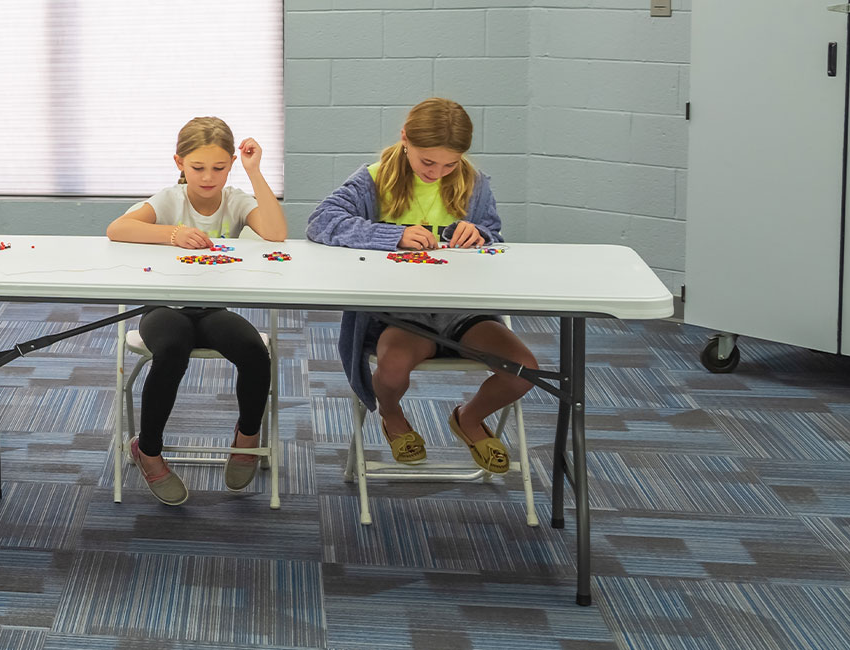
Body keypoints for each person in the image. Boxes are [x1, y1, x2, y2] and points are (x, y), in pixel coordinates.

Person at [307, 97, 534, 475]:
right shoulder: (374, 179)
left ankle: (469, 418)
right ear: (405, 139)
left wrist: (478, 232)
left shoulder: (474, 183)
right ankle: (392, 416)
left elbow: (493, 232)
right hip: (401, 315)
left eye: (450, 164)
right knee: (392, 370)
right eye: (428, 162)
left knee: (524, 368)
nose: (437, 172)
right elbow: (321, 221)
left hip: (462, 309)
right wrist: (390, 236)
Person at [102, 117, 285, 505]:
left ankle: (247, 438)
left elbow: (275, 233)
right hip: (163, 309)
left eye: (219, 168)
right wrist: (172, 234)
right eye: (197, 167)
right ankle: (148, 449)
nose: (207, 177)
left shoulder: (235, 199)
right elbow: (117, 229)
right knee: (172, 348)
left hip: (211, 310)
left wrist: (254, 172)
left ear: (231, 164)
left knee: (254, 351)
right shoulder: (171, 199)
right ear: (179, 163)